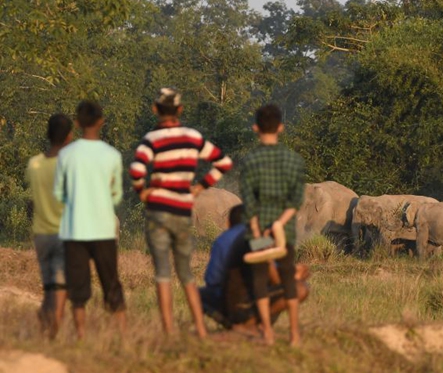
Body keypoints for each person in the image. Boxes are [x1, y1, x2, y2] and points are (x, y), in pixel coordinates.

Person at [130, 87, 233, 339]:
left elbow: (136, 169)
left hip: (157, 211)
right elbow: (224, 162)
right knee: (186, 272)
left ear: (155, 110)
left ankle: (168, 330)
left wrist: (142, 191)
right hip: (182, 211)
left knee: (162, 272)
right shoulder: (193, 137)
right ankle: (200, 328)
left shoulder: (151, 139)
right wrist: (200, 186)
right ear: (180, 110)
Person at [53, 100, 126, 339]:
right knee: (111, 284)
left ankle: (82, 335)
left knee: (78, 288)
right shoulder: (112, 155)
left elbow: (59, 194)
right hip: (104, 228)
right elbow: (116, 194)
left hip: (75, 228)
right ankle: (121, 334)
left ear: (77, 123)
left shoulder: (66, 155)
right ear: (101, 122)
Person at [239, 104, 305, 346]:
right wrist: (278, 224)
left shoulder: (249, 161)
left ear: (255, 127)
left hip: (258, 232)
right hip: (283, 232)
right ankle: (295, 334)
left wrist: (258, 231)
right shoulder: (293, 160)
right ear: (281, 127)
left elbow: (248, 203)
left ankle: (267, 332)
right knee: (288, 277)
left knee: (259, 280)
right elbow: (296, 201)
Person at [200, 205, 310, 336]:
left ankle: (236, 324)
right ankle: (252, 324)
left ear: (228, 223)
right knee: (299, 287)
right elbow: (275, 278)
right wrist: (295, 276)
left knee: (196, 293)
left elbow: (212, 280)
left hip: (229, 304)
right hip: (256, 300)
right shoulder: (262, 241)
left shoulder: (221, 240)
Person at [26, 114, 73, 338]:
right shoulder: (70, 167)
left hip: (41, 234)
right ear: (69, 137)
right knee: (61, 285)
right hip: (65, 233)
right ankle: (53, 329)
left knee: (48, 285)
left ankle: (46, 317)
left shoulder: (33, 164)